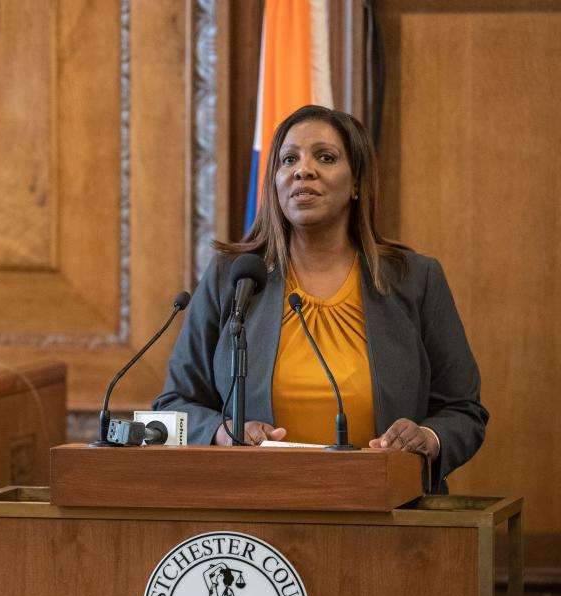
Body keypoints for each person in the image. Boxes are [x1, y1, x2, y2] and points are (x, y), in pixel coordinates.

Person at [153, 105, 487, 492]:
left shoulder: (415, 279)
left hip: (386, 515)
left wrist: (428, 438)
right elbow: (172, 406)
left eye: (325, 157)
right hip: (253, 510)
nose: (303, 170)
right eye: (288, 159)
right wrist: (222, 432)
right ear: (274, 181)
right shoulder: (234, 278)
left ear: (357, 181)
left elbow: (463, 411)